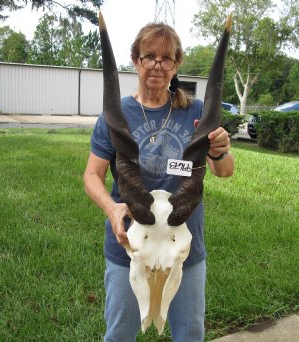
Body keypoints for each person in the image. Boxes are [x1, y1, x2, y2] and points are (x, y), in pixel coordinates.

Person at [83, 22, 234, 342]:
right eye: (149, 56)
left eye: (166, 58)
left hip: (183, 247)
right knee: (121, 332)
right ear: (135, 60)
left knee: (190, 332)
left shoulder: (197, 111)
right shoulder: (116, 114)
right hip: (129, 245)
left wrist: (220, 151)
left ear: (177, 64)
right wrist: (112, 209)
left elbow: (224, 171)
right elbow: (92, 175)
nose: (157, 65)